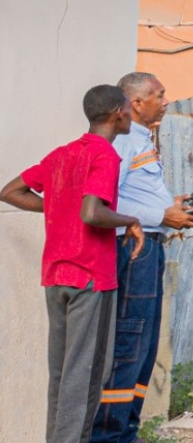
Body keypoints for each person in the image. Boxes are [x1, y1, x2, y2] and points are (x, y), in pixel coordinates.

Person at [1, 85, 144, 443]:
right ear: (117, 114)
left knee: (63, 375)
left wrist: (55, 207)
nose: (130, 114)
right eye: (128, 108)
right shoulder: (105, 156)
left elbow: (10, 191)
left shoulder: (62, 154)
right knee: (86, 375)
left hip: (56, 277)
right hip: (90, 279)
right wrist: (130, 220)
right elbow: (92, 213)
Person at [94, 73, 193, 443]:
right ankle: (108, 435)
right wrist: (159, 216)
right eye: (159, 94)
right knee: (129, 341)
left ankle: (127, 431)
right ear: (136, 103)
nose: (166, 101)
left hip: (149, 246)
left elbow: (135, 195)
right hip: (131, 248)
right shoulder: (121, 144)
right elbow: (105, 201)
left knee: (145, 347)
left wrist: (171, 207)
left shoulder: (141, 140)